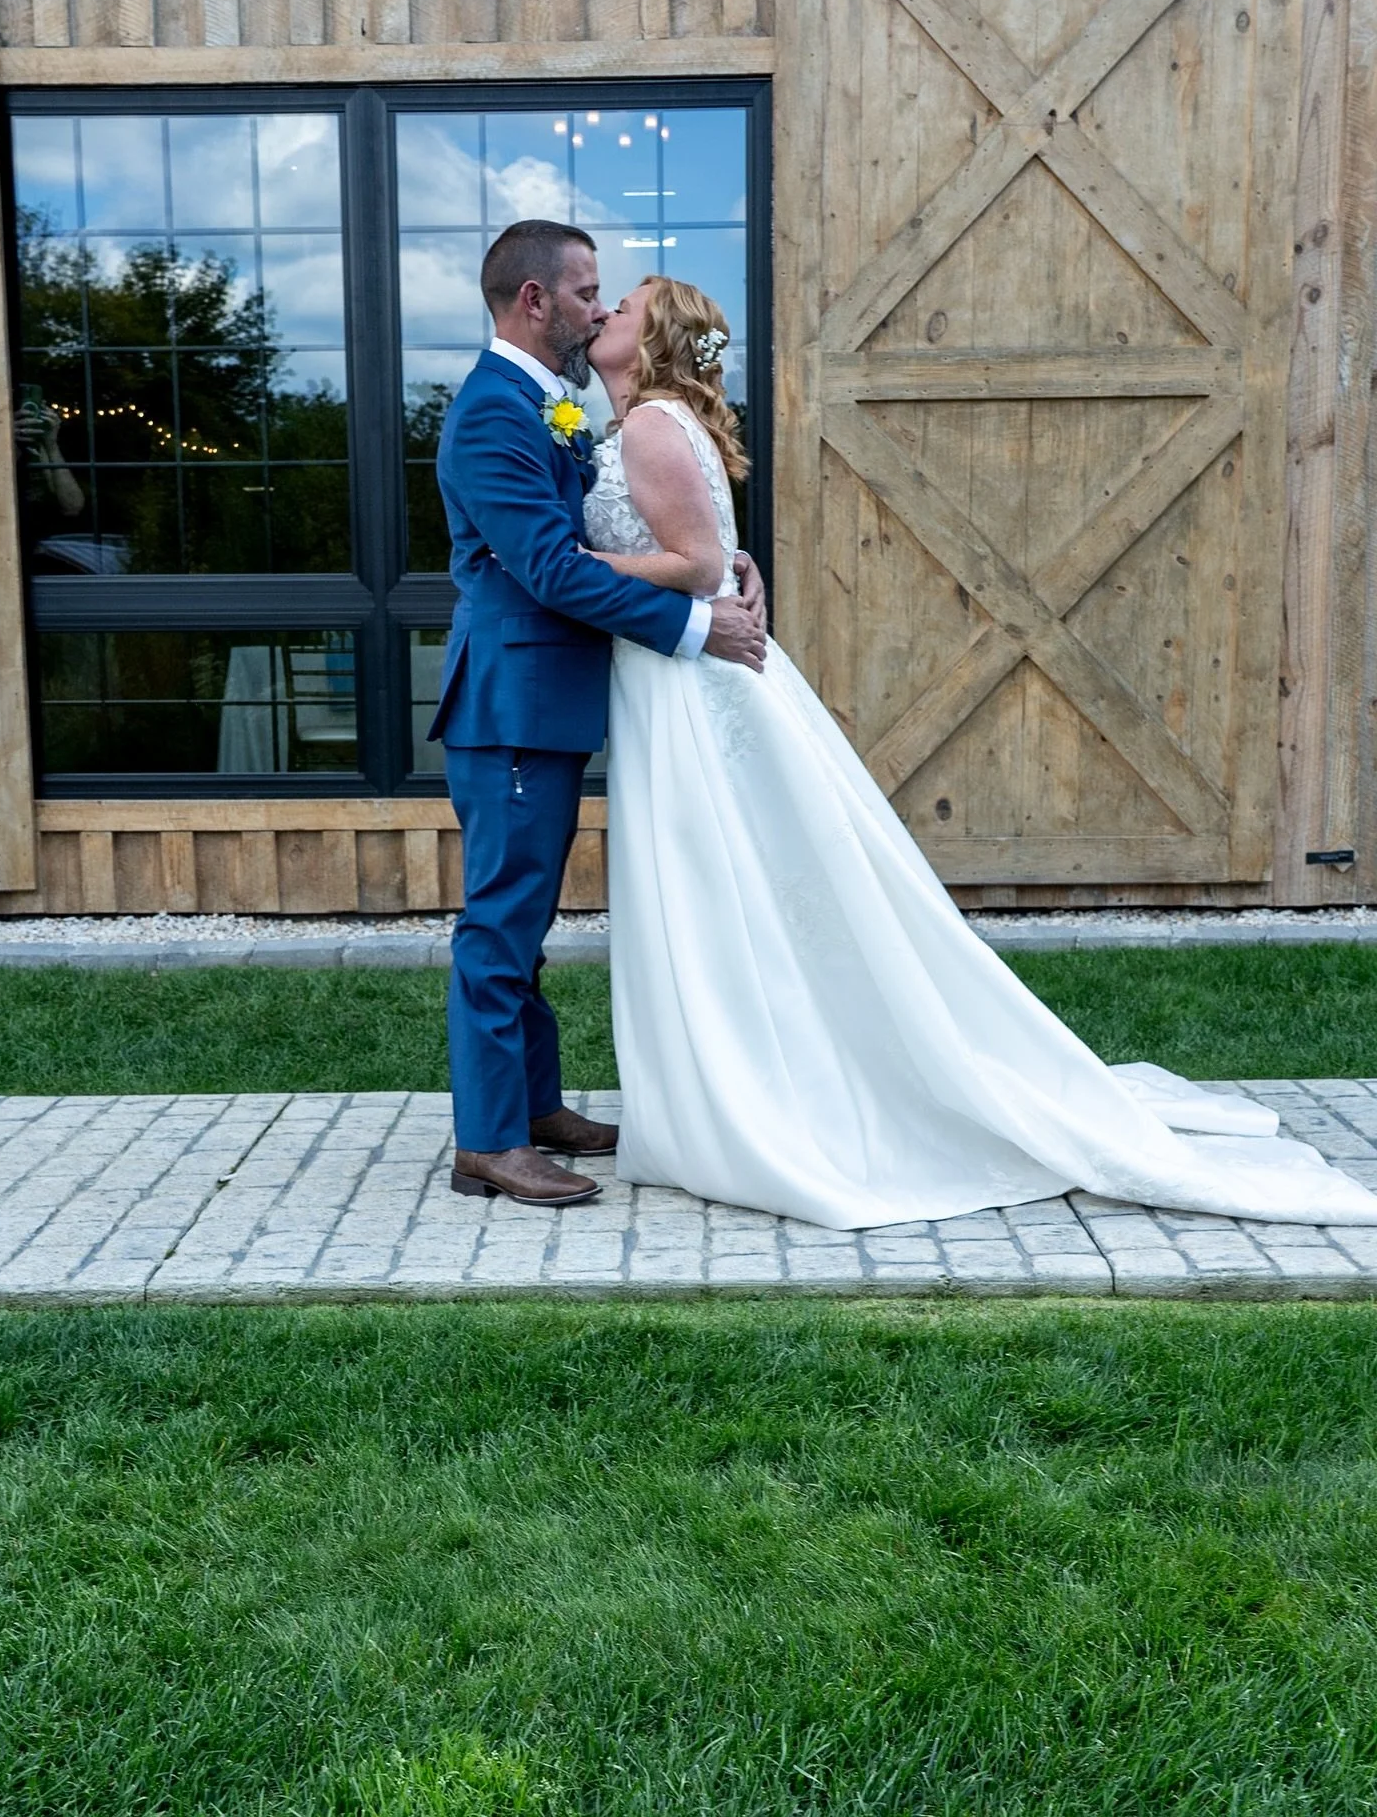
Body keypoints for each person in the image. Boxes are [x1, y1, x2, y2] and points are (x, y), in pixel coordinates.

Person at [580, 273, 1377, 1229]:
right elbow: (720, 559)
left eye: (621, 305)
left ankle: (756, 1097)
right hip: (680, 673)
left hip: (686, 686)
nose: (605, 313)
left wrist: (573, 565)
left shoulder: (649, 428)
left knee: (715, 878)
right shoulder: (665, 422)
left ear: (655, 335)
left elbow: (700, 565)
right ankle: (730, 1085)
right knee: (730, 881)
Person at [429, 221, 767, 1209]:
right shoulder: (496, 413)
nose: (596, 306)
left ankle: (534, 1106)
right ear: (536, 302)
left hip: (546, 707)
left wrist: (723, 567)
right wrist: (698, 627)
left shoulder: (554, 409)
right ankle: (488, 1142)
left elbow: (646, 538)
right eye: (586, 292)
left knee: (522, 926)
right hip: (513, 709)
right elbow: (547, 571)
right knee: (500, 926)